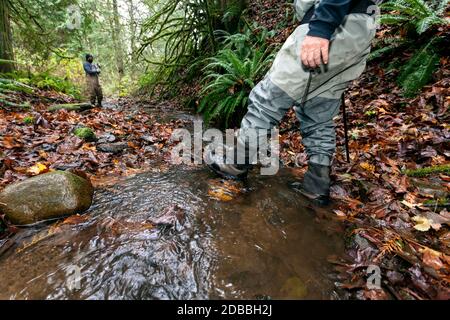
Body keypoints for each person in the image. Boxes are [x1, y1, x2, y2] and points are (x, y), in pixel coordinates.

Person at [206, 0, 379, 205]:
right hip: (360, 30)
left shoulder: (323, 25)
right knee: (318, 111)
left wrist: (321, 28)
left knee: (266, 99)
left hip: (331, 24)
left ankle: (234, 165)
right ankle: (316, 185)